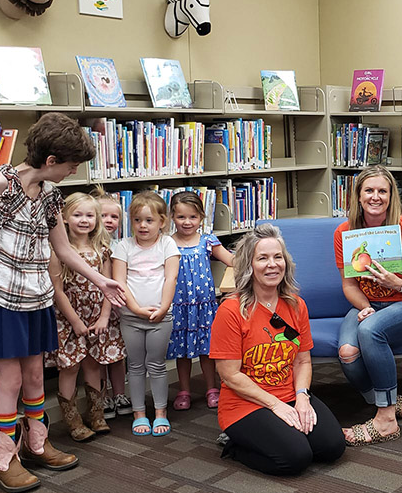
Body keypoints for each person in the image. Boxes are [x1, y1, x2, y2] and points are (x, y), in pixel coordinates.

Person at [0, 112, 126, 493]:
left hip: (35, 294)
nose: (73, 172)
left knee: (37, 375)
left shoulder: (51, 196)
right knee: (10, 378)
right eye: (71, 166)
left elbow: (64, 250)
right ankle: (2, 459)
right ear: (51, 161)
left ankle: (37, 443)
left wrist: (101, 279)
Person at [211, 224, 344, 475]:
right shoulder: (230, 311)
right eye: (262, 258)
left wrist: (303, 397)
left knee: (332, 447)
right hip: (246, 403)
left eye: (277, 257)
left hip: (290, 394)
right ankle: (234, 446)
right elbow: (230, 375)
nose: (272, 264)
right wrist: (275, 405)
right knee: (295, 459)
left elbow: (302, 361)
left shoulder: (295, 305)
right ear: (249, 265)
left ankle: (281, 433)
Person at [334, 165, 402, 446]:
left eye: (382, 191)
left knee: (369, 331)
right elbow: (349, 285)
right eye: (369, 190)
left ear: (392, 196)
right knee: (346, 351)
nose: (375, 197)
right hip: (370, 305)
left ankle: (386, 419)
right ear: (358, 196)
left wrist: (399, 284)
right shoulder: (346, 233)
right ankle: (390, 401)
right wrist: (365, 306)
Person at [47, 193, 125, 441]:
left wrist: (104, 318)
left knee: (94, 363)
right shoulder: (58, 251)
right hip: (70, 319)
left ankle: (97, 414)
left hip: (97, 318)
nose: (84, 220)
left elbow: (108, 286)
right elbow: (57, 291)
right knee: (70, 367)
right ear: (65, 219)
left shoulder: (101, 249)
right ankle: (73, 421)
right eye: (77, 215)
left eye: (90, 215)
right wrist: (76, 322)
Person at [112, 191, 180, 437]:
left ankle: (160, 413)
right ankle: (139, 414)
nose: (142, 225)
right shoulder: (123, 246)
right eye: (137, 220)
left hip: (161, 317)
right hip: (131, 317)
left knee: (157, 365)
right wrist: (136, 309)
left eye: (149, 220)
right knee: (136, 366)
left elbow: (171, 278)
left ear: (162, 221)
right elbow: (119, 281)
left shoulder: (167, 244)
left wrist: (162, 308)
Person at [168, 191, 234, 411]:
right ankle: (184, 390)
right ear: (172, 217)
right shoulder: (167, 243)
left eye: (193, 217)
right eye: (181, 217)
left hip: (205, 307)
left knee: (208, 350)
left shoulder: (207, 240)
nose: (187, 222)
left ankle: (211, 388)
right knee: (182, 352)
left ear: (201, 217)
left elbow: (231, 261)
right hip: (179, 307)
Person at [94, 191, 132, 419]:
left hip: (117, 310)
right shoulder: (88, 246)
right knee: (98, 356)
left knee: (117, 354)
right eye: (103, 216)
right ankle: (103, 395)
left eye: (114, 217)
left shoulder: (120, 246)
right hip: (94, 309)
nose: (109, 221)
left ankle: (120, 394)